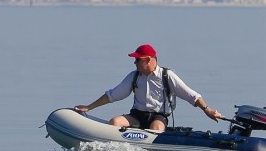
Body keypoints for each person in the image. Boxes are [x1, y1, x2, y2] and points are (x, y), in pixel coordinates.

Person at [74, 44, 223, 130]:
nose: (135, 63)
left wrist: (207, 110)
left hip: (158, 117)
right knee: (115, 122)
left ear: (149, 60)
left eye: (138, 60)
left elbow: (192, 95)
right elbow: (113, 95)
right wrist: (89, 107)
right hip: (137, 115)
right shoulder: (134, 76)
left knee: (156, 128)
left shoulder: (167, 75)